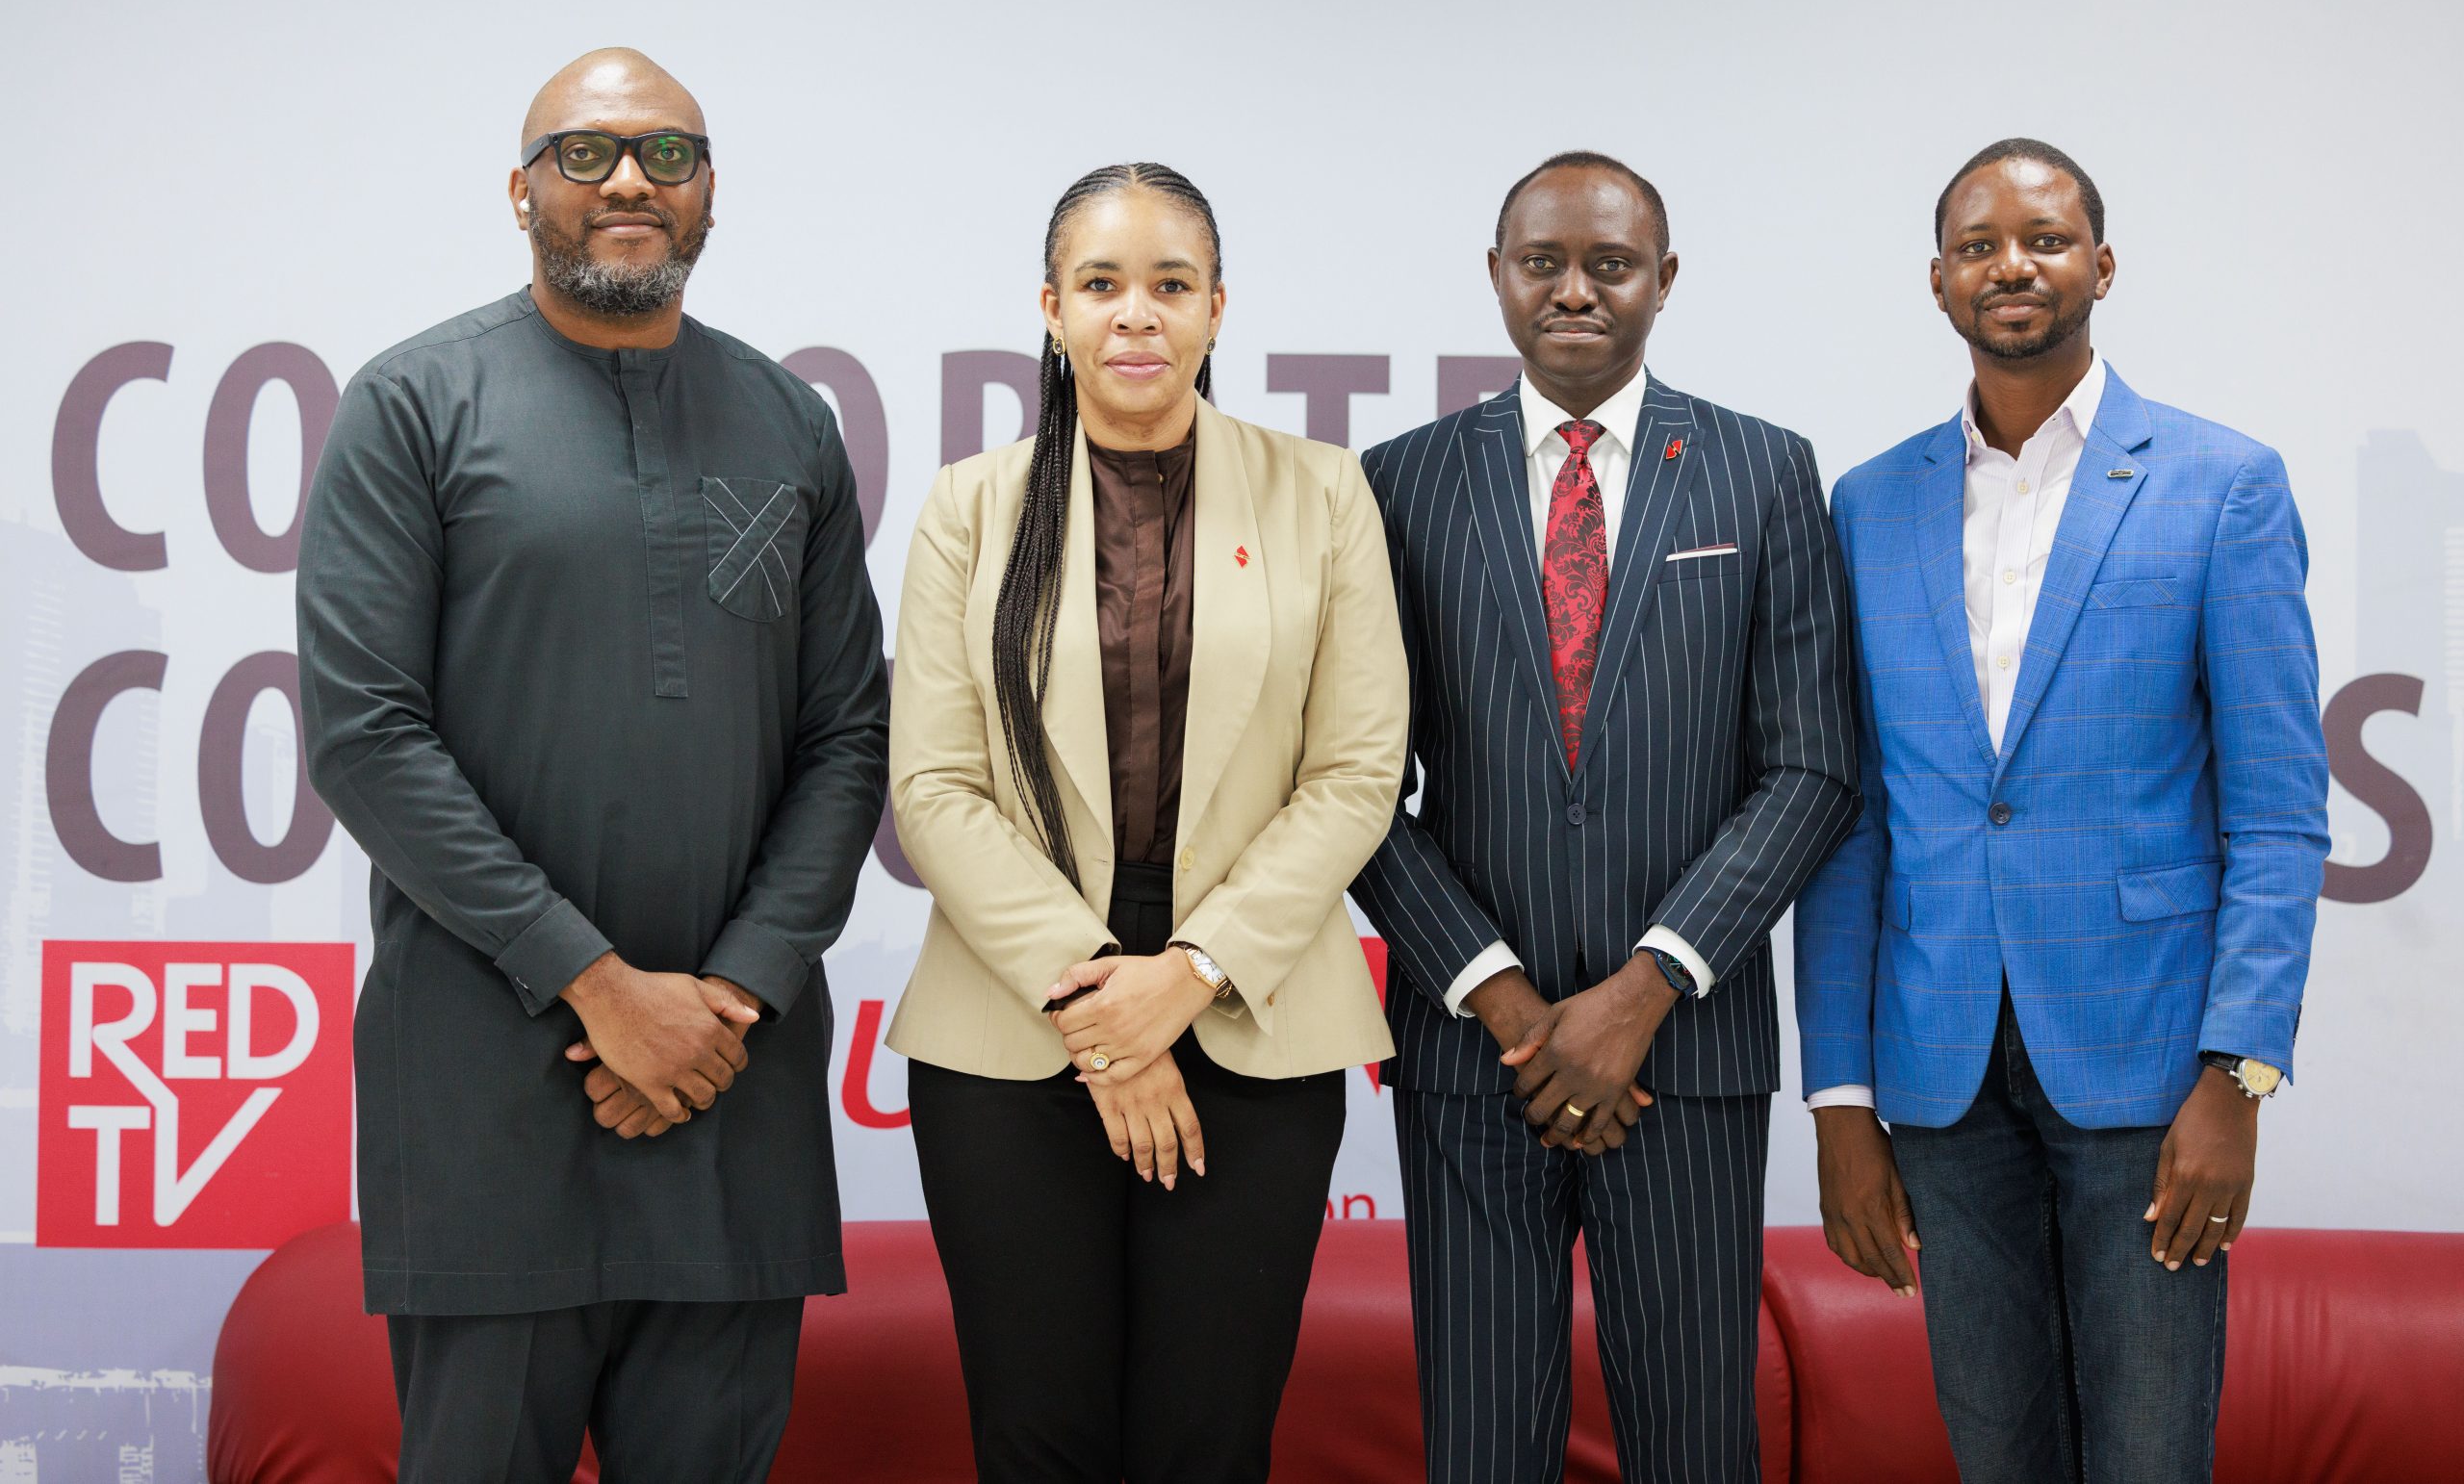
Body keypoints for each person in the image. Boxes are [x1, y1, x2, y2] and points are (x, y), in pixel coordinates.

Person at [296, 47, 888, 1483]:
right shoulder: (413, 404)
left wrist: (727, 1000)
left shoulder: (791, 423)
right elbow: (365, 734)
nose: (630, 179)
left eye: (667, 155)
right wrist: (603, 990)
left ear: (707, 198)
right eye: (586, 152)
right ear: (521, 192)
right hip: (490, 1096)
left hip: (730, 1100)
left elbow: (847, 736)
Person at [1793, 139, 2329, 1483]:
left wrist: (2238, 1072)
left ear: (2102, 263)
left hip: (2151, 1070)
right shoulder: (1867, 505)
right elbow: (1853, 825)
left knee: (2149, 1456)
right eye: (1978, 245)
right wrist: (1843, 1100)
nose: (2010, 265)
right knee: (1998, 1452)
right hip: (1940, 1079)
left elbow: (2276, 814)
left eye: (2041, 238)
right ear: (1936, 282)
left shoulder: (2223, 484)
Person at [885, 162, 1406, 1483]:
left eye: (1171, 286)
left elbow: (1356, 770)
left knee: (1208, 1440)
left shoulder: (1323, 495)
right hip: (1013, 1021)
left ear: (1217, 310)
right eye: (1104, 285)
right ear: (1051, 308)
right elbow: (935, 786)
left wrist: (1190, 976)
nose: (1137, 317)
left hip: (1252, 1005)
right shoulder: (968, 508)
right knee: (1037, 1435)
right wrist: (1105, 1015)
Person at [1351, 152, 1861, 1482]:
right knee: (1481, 1447)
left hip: (1683, 1061)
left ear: (1664, 282)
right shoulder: (1397, 483)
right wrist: (1510, 1007)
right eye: (1544, 264)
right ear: (1498, 277)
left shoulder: (1762, 472)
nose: (1575, 291)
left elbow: (1810, 769)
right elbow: (1356, 785)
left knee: (1697, 1443)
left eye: (1611, 265)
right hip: (1477, 1063)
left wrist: (1642, 991)